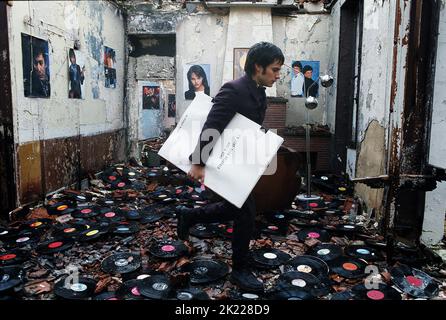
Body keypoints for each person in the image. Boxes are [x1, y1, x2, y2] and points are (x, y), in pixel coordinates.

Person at [176, 42, 284, 292]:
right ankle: (240, 270)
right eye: (275, 70)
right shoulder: (233, 90)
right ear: (258, 67)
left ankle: (189, 215)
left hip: (239, 162)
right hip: (218, 161)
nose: (278, 75)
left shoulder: (259, 91)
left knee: (234, 208)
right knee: (246, 210)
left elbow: (248, 126)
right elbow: (212, 126)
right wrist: (199, 163)